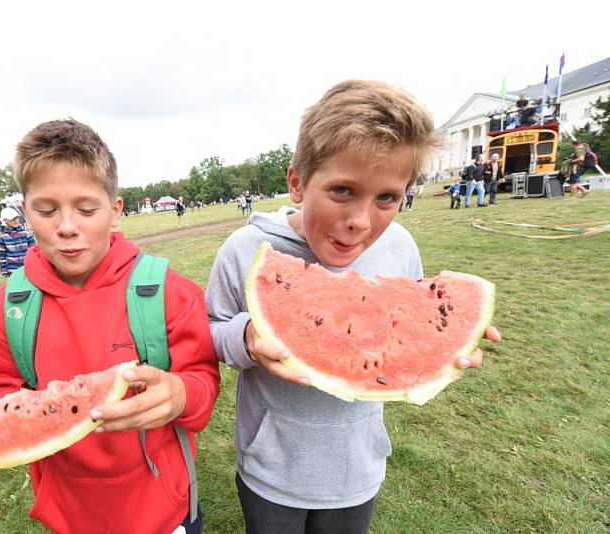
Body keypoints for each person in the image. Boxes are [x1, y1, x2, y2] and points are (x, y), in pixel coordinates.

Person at [205, 80, 501, 534]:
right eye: (343, 190)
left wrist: (440, 342)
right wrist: (244, 336)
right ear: (298, 182)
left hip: (358, 468)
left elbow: (408, 316)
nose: (361, 221)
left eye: (387, 198)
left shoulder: (400, 246)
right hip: (271, 468)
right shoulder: (246, 250)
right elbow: (210, 331)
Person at [0, 118, 220, 534]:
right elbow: (7, 390)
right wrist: (0, 429)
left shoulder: (168, 291)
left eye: (87, 209)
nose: (67, 226)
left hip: (164, 510)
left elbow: (202, 385)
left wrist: (180, 393)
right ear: (25, 211)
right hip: (70, 515)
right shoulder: (10, 306)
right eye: (46, 209)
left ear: (115, 211)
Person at [0, 207, 36, 277]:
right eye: (12, 219)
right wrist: (5, 273)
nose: (16, 221)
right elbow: (2, 257)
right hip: (13, 272)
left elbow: (34, 250)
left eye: (17, 218)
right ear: (5, 220)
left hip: (29, 268)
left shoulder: (26, 233)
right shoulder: (2, 237)